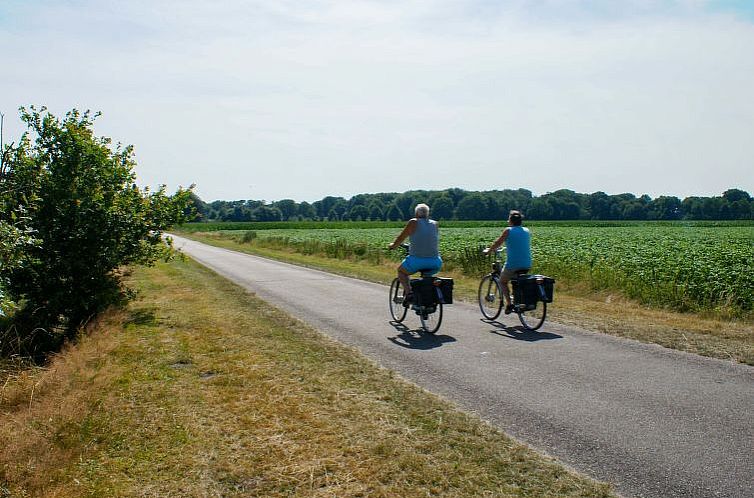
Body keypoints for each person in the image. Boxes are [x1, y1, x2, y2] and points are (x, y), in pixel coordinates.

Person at [388, 203, 442, 303]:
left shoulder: (413, 222)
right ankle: (426, 299)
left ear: (416, 213)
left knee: (401, 271)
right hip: (436, 262)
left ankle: (409, 294)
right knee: (427, 278)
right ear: (427, 214)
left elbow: (401, 238)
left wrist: (393, 246)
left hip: (417, 260)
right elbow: (428, 239)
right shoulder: (435, 224)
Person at [483, 210, 531, 314]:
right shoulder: (526, 230)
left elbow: (498, 242)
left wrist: (489, 250)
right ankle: (518, 300)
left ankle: (509, 304)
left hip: (513, 264)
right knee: (516, 281)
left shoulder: (508, 230)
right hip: (526, 263)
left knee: (502, 281)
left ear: (510, 221)